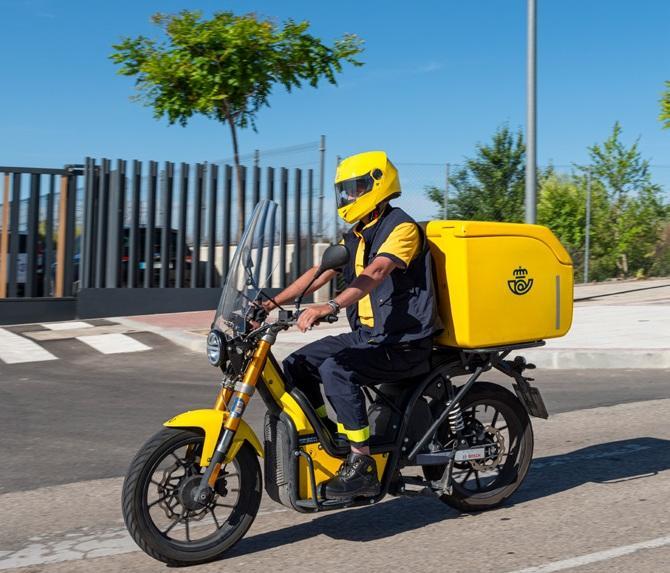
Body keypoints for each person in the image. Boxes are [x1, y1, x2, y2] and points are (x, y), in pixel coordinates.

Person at [263, 150, 441, 499]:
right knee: (297, 365)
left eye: (355, 188)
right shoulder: (357, 234)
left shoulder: (401, 228)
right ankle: (330, 435)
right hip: (369, 336)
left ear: (378, 184)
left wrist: (330, 305)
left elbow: (376, 272)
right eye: (344, 190)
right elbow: (318, 273)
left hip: (403, 342)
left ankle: (363, 465)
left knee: (337, 371)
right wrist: (270, 303)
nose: (348, 197)